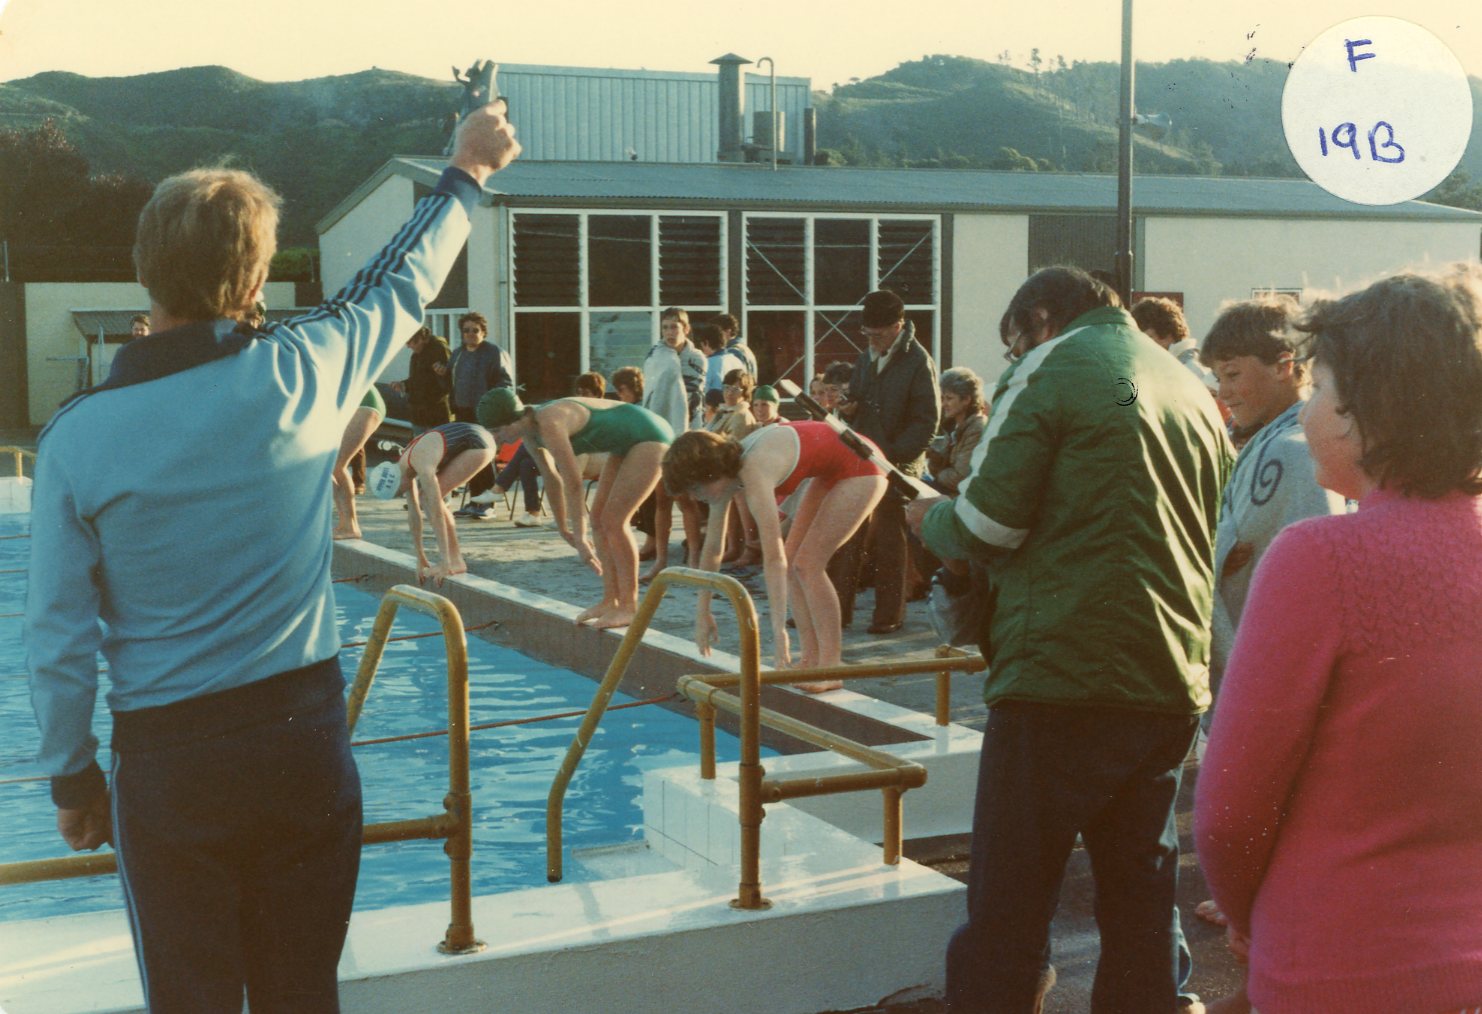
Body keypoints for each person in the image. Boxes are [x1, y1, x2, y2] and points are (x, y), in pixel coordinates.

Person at [25, 104, 518, 1010]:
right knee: (301, 991)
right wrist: (467, 171)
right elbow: (403, 281)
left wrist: (73, 777)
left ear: (143, 269)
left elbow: (57, 637)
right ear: (256, 279)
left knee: (191, 997)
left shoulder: (76, 440)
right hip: (301, 739)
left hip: (172, 760)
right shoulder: (310, 365)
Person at [907, 266, 1230, 1012]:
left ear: (1042, 319)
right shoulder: (1187, 387)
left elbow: (987, 522)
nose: (1010, 361)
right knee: (1141, 896)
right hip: (1169, 675)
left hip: (1059, 673)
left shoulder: (1056, 364)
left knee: (1009, 905)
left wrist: (930, 520)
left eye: (1012, 343)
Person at [1195, 267, 1482, 1014]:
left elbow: (1229, 814)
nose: (1310, 409)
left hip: (1335, 960)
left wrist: (1248, 920)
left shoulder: (1317, 559)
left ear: (1369, 409)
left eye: (1319, 389)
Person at [664, 422, 886, 690]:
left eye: (695, 489)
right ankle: (810, 658)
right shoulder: (727, 477)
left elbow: (773, 556)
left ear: (710, 473)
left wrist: (779, 629)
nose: (695, 497)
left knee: (807, 565)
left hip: (863, 465)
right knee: (796, 562)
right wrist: (702, 612)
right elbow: (712, 550)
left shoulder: (752, 469)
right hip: (831, 470)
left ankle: (831, 667)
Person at [478, 387, 672, 628]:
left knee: (614, 522)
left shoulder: (549, 421)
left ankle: (629, 607)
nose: (495, 438)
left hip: (649, 435)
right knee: (598, 521)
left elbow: (573, 480)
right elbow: (551, 478)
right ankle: (610, 601)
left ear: (515, 419)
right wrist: (563, 528)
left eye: (497, 431)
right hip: (626, 442)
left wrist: (579, 536)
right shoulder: (529, 433)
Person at [834, 290, 940, 635]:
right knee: (849, 532)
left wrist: (894, 457)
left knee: (891, 542)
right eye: (867, 335)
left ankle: (888, 615)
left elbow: (927, 421)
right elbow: (861, 396)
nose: (872, 341)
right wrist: (850, 408)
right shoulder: (867, 357)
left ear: (898, 326)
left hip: (897, 463)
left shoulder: (919, 361)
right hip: (865, 456)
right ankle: (837, 609)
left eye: (878, 335)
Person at [368, 420, 498, 582]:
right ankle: (452, 559)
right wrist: (420, 556)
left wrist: (444, 563)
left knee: (430, 499)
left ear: (396, 482)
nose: (402, 494)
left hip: (478, 443)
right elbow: (413, 515)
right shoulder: (403, 470)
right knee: (425, 498)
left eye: (399, 492)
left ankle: (453, 561)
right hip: (471, 439)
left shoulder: (420, 463)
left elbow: (436, 512)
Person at [640, 306, 707, 580]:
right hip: (658, 432)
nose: (670, 333)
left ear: (686, 329)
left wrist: (686, 438)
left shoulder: (696, 358)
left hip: (686, 436)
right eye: (666, 327)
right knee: (661, 499)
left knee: (685, 499)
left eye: (675, 327)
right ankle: (662, 562)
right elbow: (651, 394)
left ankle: (692, 559)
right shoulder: (655, 355)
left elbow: (693, 399)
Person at [445, 310, 512, 518]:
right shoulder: (457, 354)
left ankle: (488, 503)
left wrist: (493, 407)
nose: (470, 334)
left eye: (475, 330)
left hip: (484, 413)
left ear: (483, 332)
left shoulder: (494, 353)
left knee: (485, 455)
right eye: (466, 331)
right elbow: (449, 381)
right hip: (463, 412)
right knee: (469, 458)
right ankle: (474, 502)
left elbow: (505, 384)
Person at [331, 385, 386, 540]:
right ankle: (345, 523)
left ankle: (349, 525)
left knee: (336, 465)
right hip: (361, 403)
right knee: (331, 466)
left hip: (365, 404)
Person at [926, 367, 987, 495]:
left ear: (966, 399)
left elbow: (960, 478)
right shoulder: (955, 426)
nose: (943, 404)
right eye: (942, 398)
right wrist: (935, 458)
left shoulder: (976, 429)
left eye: (949, 398)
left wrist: (939, 472)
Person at [393, 325, 453, 433]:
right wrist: (403, 385)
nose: (408, 346)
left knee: (438, 448)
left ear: (421, 339)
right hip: (418, 415)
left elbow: (449, 382)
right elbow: (418, 379)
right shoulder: (416, 355)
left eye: (409, 342)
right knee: (419, 448)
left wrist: (443, 374)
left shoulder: (438, 349)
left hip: (435, 415)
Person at [695, 321, 745, 395]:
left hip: (716, 404)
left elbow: (702, 391)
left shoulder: (708, 364)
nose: (702, 350)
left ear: (706, 343)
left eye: (702, 345)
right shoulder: (737, 361)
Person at [713, 312, 757, 378]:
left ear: (728, 331)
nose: (715, 336)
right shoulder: (744, 348)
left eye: (718, 332)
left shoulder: (733, 352)